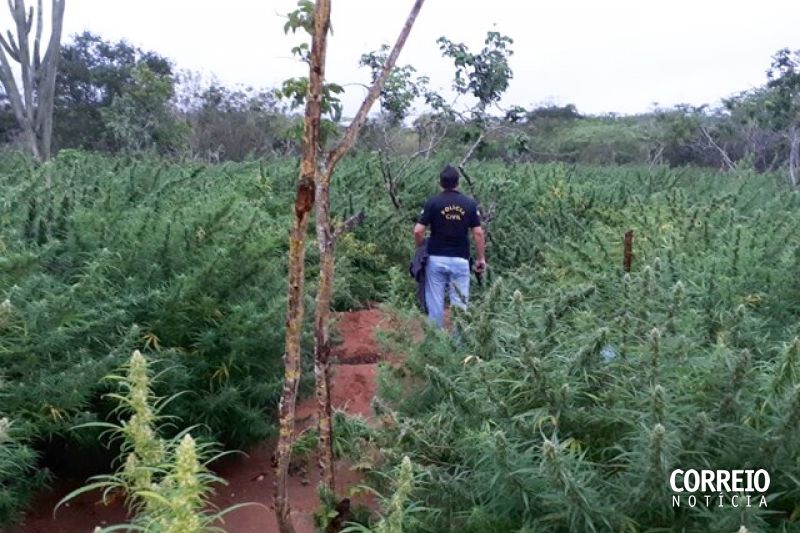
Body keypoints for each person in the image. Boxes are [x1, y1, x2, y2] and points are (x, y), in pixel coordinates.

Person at [413, 165, 486, 328]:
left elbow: (418, 231)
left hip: (436, 259)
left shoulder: (433, 202)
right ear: (458, 183)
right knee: (460, 305)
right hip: (461, 260)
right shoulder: (469, 204)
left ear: (440, 183)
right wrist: (481, 258)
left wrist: (420, 248)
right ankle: (459, 348)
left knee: (435, 303)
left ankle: (436, 344)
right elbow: (478, 233)